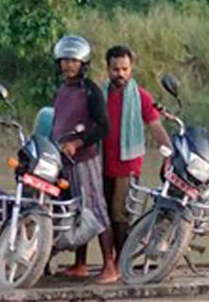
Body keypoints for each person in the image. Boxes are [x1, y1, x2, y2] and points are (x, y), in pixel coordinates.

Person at [102, 45, 172, 280]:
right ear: (108, 69)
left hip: (127, 165)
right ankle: (108, 264)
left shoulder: (141, 96)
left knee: (120, 215)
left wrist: (170, 154)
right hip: (100, 163)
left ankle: (123, 265)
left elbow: (155, 126)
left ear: (131, 69)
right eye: (115, 69)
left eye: (124, 69)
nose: (119, 74)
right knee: (103, 215)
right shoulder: (101, 94)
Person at [47, 35, 113, 281]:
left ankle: (109, 265)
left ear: (83, 63)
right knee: (76, 211)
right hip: (63, 160)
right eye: (65, 60)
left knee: (95, 209)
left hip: (85, 158)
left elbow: (103, 126)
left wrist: (77, 142)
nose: (68, 65)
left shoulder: (91, 90)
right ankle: (80, 264)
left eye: (73, 61)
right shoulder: (62, 90)